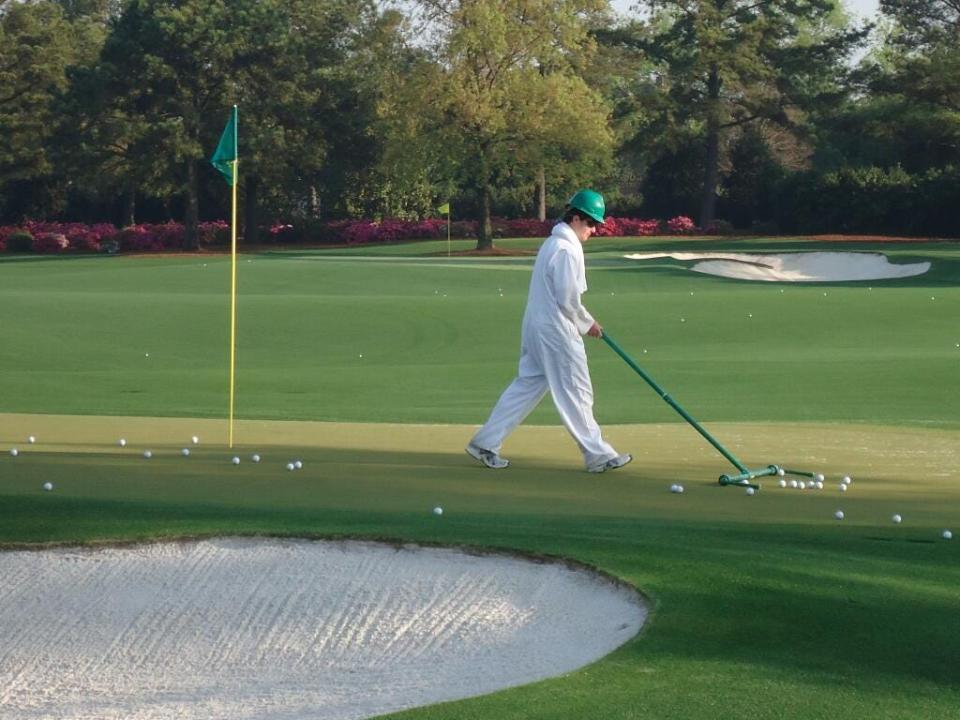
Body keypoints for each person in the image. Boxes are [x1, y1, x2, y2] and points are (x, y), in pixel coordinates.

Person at [466, 189, 632, 473]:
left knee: (526, 386)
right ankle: (598, 455)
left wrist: (583, 321)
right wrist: (588, 323)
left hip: (536, 327)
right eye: (591, 223)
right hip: (556, 331)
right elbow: (568, 299)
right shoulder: (566, 249)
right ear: (576, 218)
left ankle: (485, 443)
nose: (594, 230)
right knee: (577, 391)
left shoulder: (552, 244)